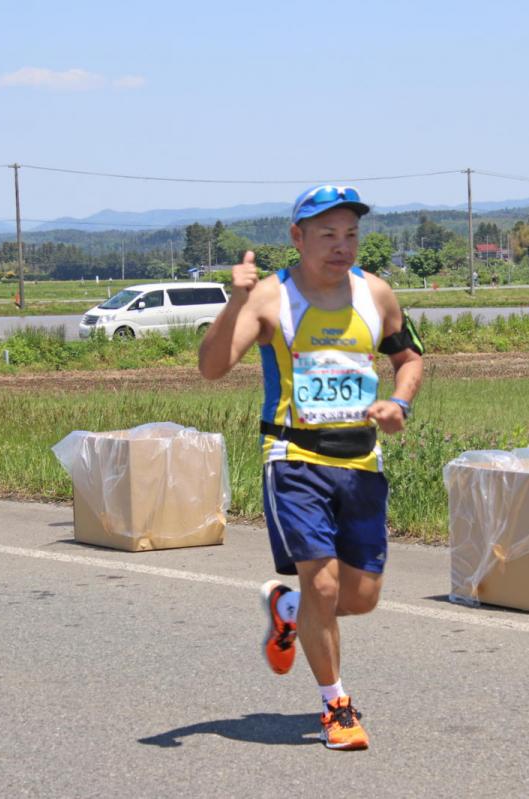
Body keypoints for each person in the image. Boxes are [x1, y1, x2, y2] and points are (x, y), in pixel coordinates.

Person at [198, 184, 424, 750]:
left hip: (362, 461)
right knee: (323, 584)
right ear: (297, 238)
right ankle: (336, 708)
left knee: (361, 597)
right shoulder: (270, 299)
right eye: (327, 234)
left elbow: (410, 357)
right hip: (293, 457)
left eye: (350, 234)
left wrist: (399, 402)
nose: (341, 246)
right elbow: (212, 367)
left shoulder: (377, 293)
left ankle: (289, 607)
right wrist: (234, 301)